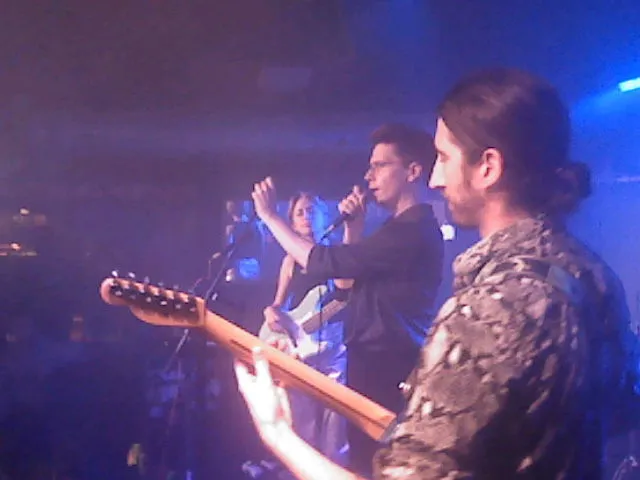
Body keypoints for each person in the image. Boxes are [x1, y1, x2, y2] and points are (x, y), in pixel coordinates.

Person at [234, 67, 640, 479]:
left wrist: (277, 432)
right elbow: (618, 416)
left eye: (444, 158)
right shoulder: (594, 275)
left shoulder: (488, 310)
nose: (436, 178)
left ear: (488, 167)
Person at [248, 124, 444, 476]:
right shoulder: (397, 230)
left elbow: (326, 262)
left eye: (380, 165)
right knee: (359, 457)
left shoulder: (411, 231)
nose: (369, 176)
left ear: (413, 171)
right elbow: (348, 282)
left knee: (368, 461)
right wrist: (354, 227)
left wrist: (270, 217)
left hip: (386, 365)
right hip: (374, 361)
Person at [259, 191, 349, 467]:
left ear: (323, 215)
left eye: (311, 210)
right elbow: (278, 303)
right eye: (300, 212)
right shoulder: (289, 260)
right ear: (292, 223)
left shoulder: (337, 255)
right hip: (300, 348)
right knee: (303, 422)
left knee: (335, 425)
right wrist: (272, 312)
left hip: (332, 345)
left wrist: (316, 323)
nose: (306, 216)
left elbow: (346, 298)